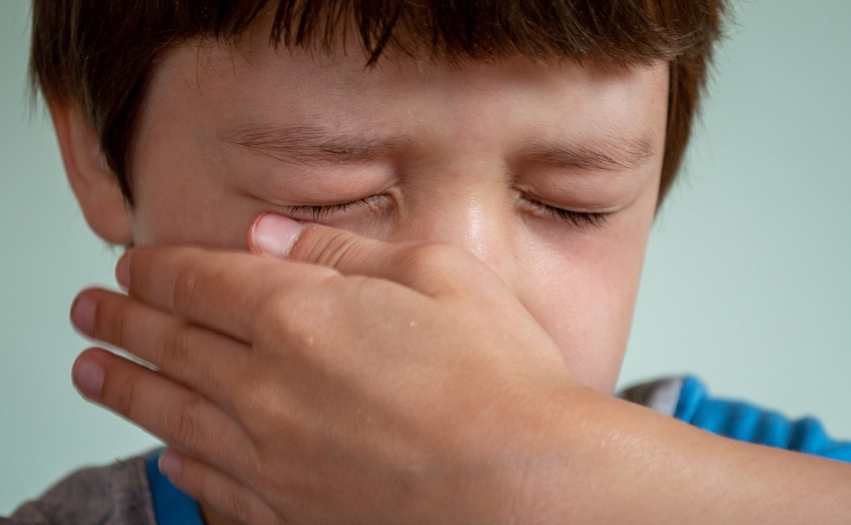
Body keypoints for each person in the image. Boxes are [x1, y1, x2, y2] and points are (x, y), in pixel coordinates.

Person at [6, 1, 851, 524]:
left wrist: (550, 486)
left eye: (571, 202)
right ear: (95, 153)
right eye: (325, 196)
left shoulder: (773, 481)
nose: (463, 297)